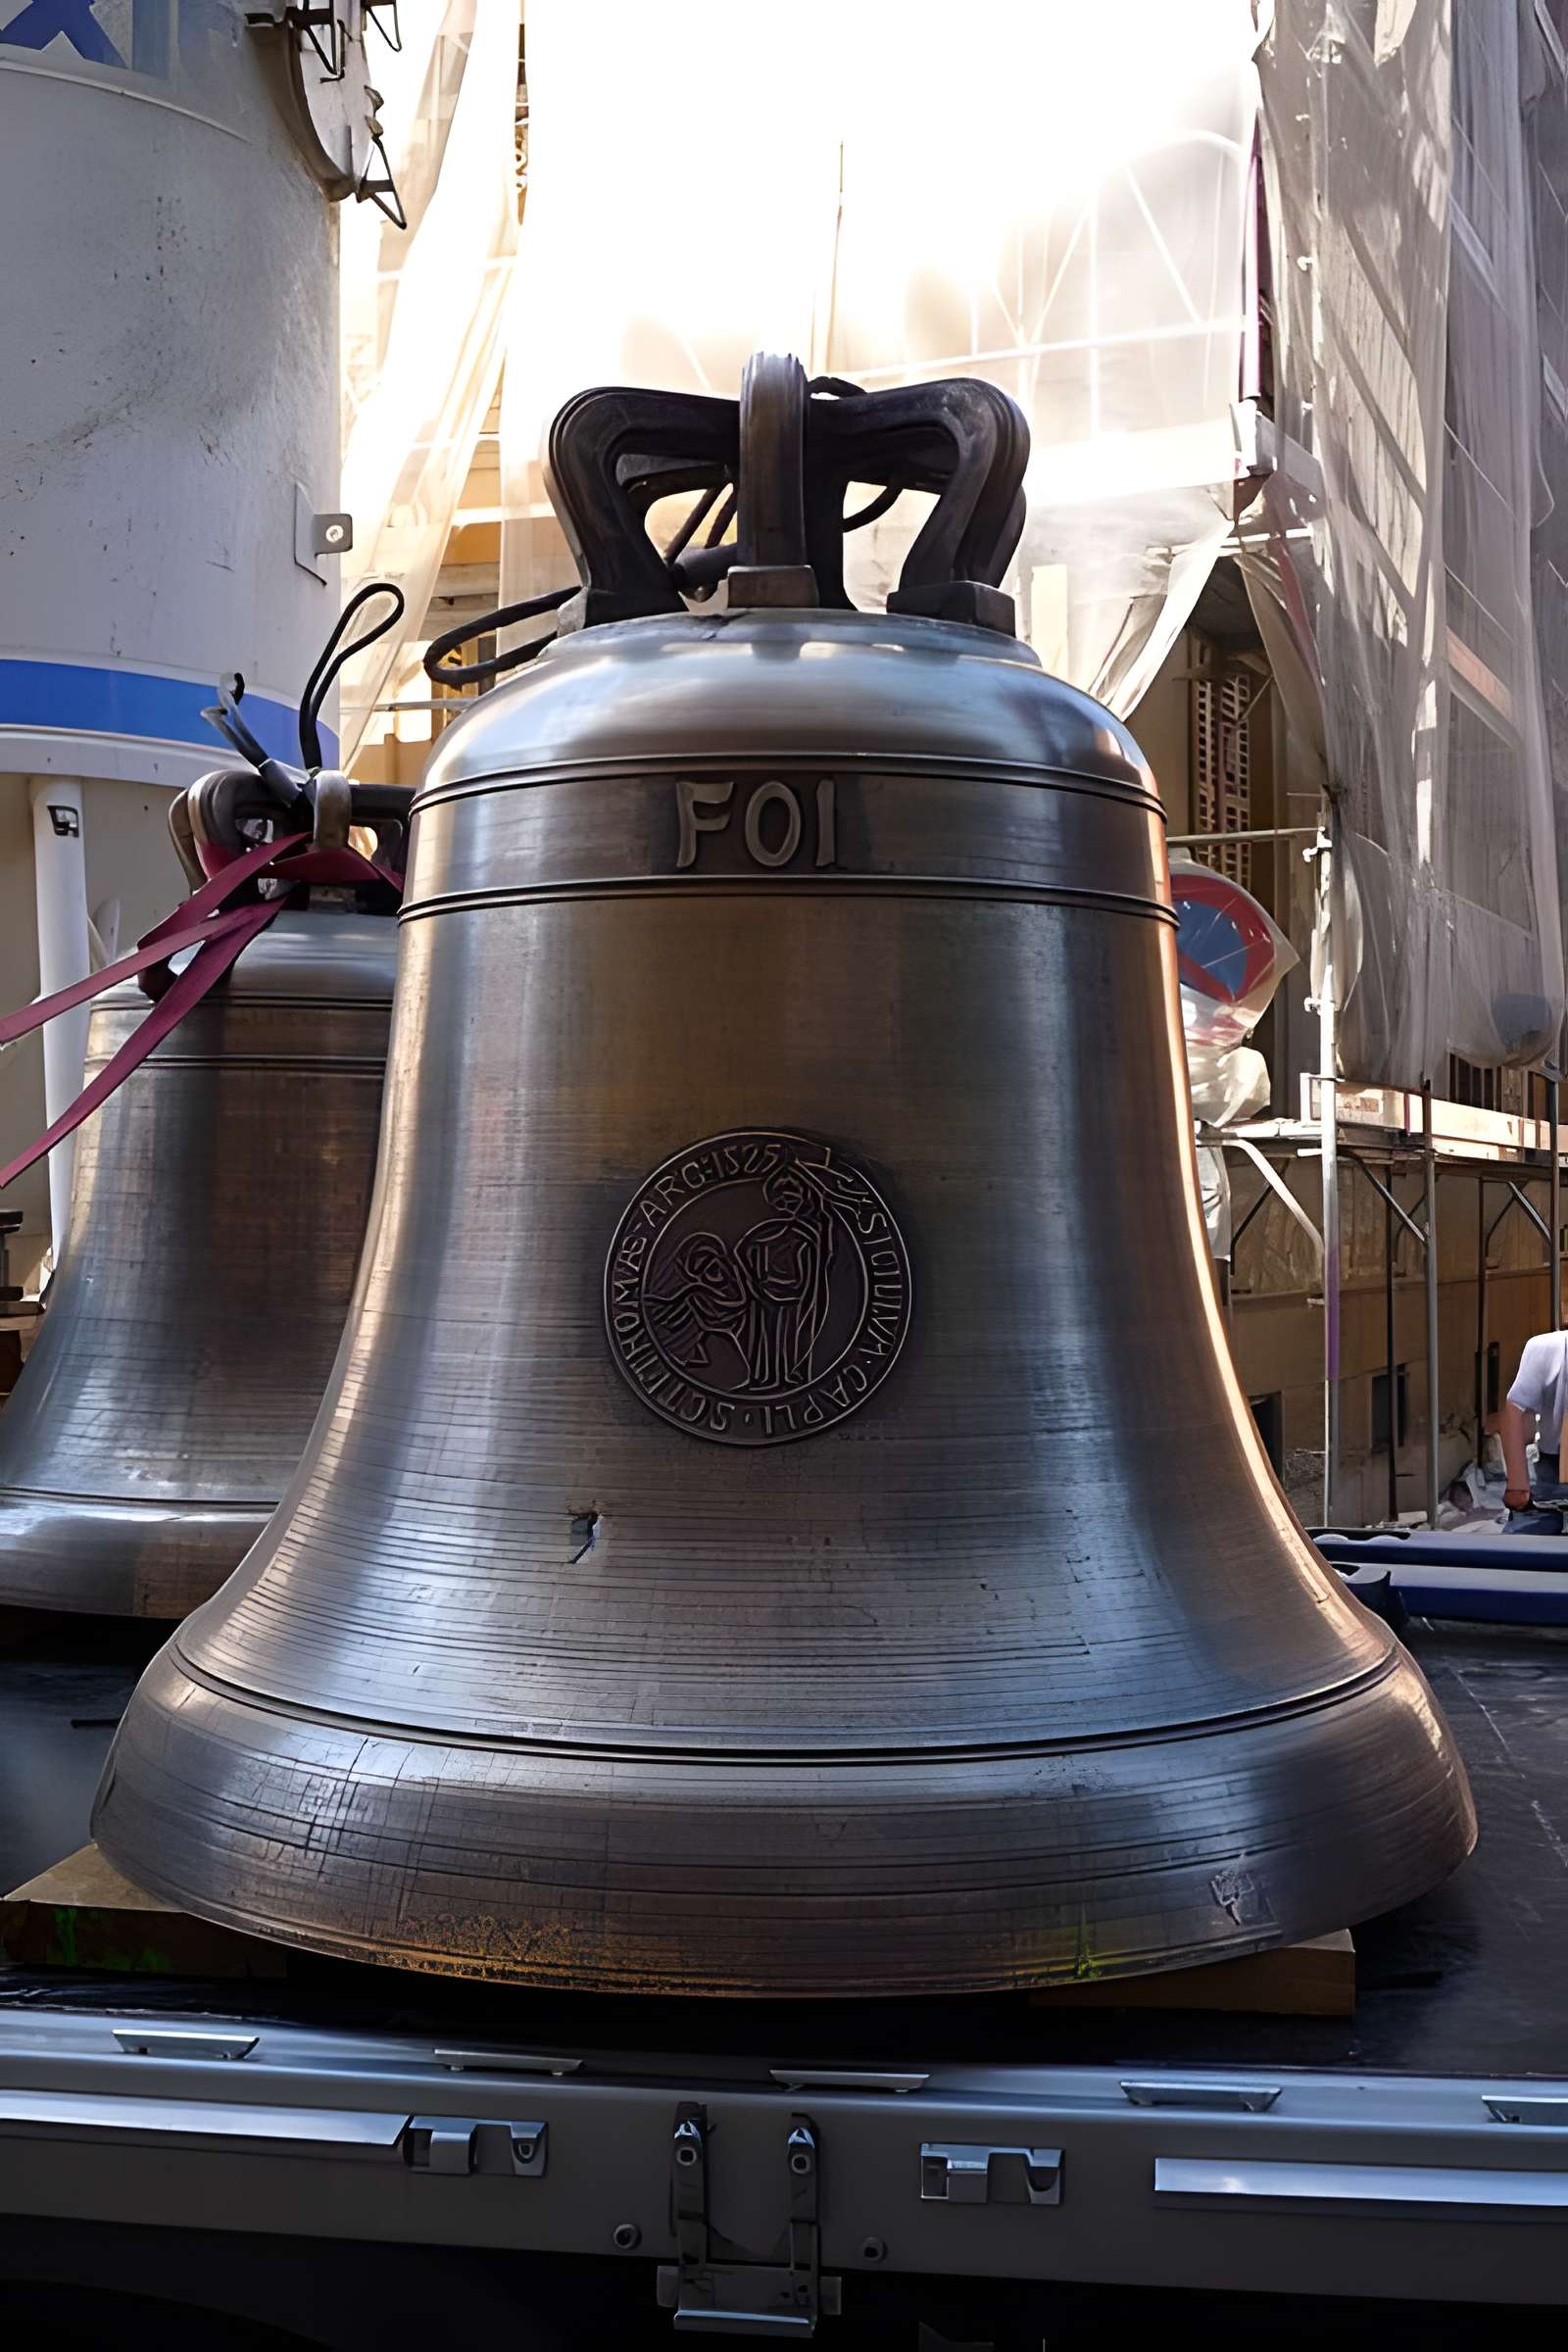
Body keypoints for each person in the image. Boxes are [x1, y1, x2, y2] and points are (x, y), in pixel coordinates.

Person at [1499, 1326, 1568, 1515]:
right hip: (1554, 1465)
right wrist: (1518, 1484)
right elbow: (1515, 1408)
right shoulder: (1547, 1348)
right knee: (1529, 1537)